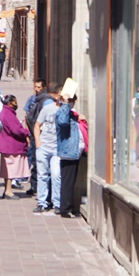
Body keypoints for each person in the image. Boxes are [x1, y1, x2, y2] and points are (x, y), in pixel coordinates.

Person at [33, 83, 63, 214]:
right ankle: (42, 202)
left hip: (57, 148)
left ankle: (57, 202)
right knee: (42, 175)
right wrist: (38, 142)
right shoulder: (48, 108)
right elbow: (37, 124)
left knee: (56, 175)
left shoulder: (66, 110)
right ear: (56, 96)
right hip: (44, 146)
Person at [56, 90, 85, 218]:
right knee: (67, 181)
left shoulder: (73, 114)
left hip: (76, 151)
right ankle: (65, 208)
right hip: (68, 151)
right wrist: (65, 104)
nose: (72, 104)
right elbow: (63, 122)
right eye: (71, 101)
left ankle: (71, 206)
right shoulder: (62, 112)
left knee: (72, 181)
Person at [0, 94, 31, 199]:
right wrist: (26, 132)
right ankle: (8, 191)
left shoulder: (5, 112)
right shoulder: (8, 114)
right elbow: (16, 130)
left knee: (8, 169)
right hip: (11, 146)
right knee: (10, 169)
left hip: (8, 144)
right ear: (10, 103)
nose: (16, 104)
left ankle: (7, 189)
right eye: (15, 102)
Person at [23, 78, 48, 196]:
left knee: (40, 162)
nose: (37, 89)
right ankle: (34, 186)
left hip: (42, 134)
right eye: (35, 87)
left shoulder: (45, 101)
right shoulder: (32, 99)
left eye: (39, 87)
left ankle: (39, 187)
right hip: (33, 134)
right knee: (34, 160)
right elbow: (27, 115)